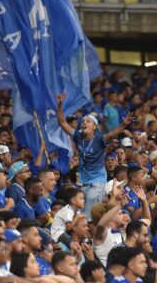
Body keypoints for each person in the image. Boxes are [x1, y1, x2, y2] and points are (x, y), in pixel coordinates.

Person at [57, 91, 132, 219]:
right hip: (84, 183)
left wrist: (123, 125)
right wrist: (59, 106)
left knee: (89, 215)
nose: (84, 122)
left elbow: (112, 133)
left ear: (94, 127)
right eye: (83, 121)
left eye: (88, 121)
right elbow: (63, 123)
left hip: (97, 182)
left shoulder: (99, 139)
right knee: (84, 213)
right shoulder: (78, 136)